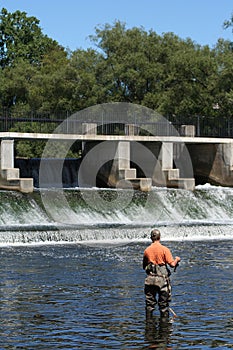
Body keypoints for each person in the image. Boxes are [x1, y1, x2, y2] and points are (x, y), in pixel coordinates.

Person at [143, 228, 181, 319]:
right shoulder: (165, 249)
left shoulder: (147, 250)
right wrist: (177, 259)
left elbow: (144, 266)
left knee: (149, 305)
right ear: (159, 237)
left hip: (150, 280)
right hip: (162, 280)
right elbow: (172, 265)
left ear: (151, 238)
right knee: (163, 306)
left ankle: (149, 328)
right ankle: (164, 328)